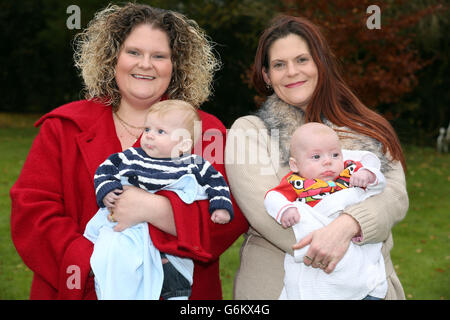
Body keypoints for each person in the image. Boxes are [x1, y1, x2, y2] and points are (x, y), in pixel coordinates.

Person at [10, 2, 248, 300]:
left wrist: (157, 211)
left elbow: (230, 214)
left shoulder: (206, 131)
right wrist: (96, 259)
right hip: (81, 287)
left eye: (159, 56)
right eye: (133, 52)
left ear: (176, 65)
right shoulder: (64, 126)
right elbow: (33, 210)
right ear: (113, 57)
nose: (145, 64)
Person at [225, 15, 408, 299]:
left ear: (320, 63)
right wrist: (330, 241)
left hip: (370, 287)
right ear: (266, 76)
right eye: (278, 65)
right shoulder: (250, 132)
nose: (291, 72)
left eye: (302, 60)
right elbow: (265, 213)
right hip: (279, 287)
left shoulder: (366, 127)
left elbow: (395, 197)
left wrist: (350, 225)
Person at [85, 100, 233, 300]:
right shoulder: (133, 156)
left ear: (183, 144)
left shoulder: (194, 165)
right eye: (147, 128)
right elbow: (106, 169)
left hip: (167, 239)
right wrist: (107, 189)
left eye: (160, 131)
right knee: (119, 259)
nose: (149, 135)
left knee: (176, 268)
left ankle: (175, 290)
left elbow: (216, 182)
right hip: (129, 228)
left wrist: (220, 207)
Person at [264, 122, 387, 299]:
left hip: (352, 246)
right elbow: (272, 197)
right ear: (295, 165)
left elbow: (379, 184)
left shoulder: (349, 172)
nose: (328, 161)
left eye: (335, 154)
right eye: (316, 157)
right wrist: (285, 209)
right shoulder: (295, 183)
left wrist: (368, 174)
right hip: (319, 243)